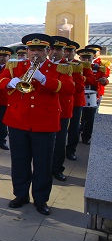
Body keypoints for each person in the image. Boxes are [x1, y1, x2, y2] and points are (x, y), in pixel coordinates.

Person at [0, 33, 74, 216]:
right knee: (20, 161)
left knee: (43, 163)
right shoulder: (15, 66)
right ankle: (21, 195)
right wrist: (9, 82)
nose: (35, 53)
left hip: (44, 122)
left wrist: (44, 79)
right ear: (27, 51)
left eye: (39, 50)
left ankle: (41, 199)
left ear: (48, 51)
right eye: (32, 50)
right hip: (17, 120)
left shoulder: (60, 68)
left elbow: (69, 89)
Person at [49, 36, 74, 182]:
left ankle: (57, 168)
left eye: (58, 49)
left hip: (63, 109)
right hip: (45, 109)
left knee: (59, 142)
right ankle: (44, 167)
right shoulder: (41, 65)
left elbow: (71, 88)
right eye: (52, 49)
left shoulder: (69, 66)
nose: (55, 52)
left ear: (64, 51)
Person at [79, 46, 109, 145]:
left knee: (90, 119)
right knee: (78, 118)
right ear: (80, 58)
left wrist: (104, 81)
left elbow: (104, 79)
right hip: (78, 95)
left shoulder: (99, 67)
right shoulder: (75, 66)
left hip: (92, 95)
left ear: (93, 57)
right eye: (84, 57)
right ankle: (76, 135)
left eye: (89, 57)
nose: (87, 60)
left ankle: (86, 137)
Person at [64, 41, 86, 162]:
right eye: (65, 51)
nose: (67, 53)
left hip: (75, 102)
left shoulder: (79, 65)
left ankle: (71, 150)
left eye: (70, 51)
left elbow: (80, 86)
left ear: (74, 53)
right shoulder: (56, 65)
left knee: (74, 128)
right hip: (61, 102)